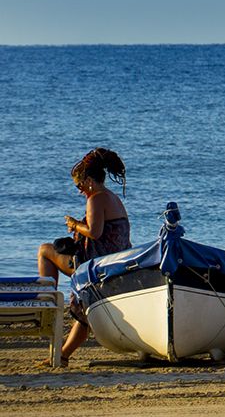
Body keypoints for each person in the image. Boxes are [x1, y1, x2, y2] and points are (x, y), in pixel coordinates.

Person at [35, 147, 130, 366]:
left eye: (79, 186)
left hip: (94, 263)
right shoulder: (113, 198)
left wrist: (74, 224)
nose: (80, 191)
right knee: (84, 313)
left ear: (88, 180)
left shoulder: (96, 199)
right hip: (114, 261)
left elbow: (95, 232)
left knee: (44, 250)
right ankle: (62, 356)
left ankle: (47, 302)